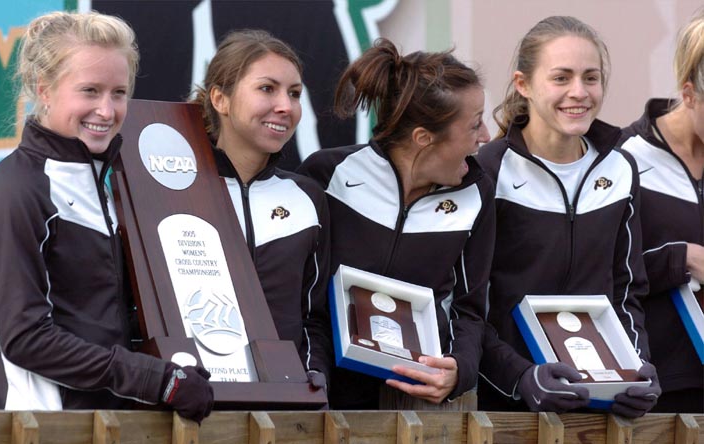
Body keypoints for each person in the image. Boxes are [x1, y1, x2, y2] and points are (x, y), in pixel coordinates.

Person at [0, 11, 213, 423]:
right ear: (43, 89)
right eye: (89, 90)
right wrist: (157, 379)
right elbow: (26, 339)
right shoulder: (17, 189)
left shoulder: (117, 182)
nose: (106, 109)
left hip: (118, 425)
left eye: (118, 92)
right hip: (43, 427)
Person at [476, 16, 660, 418]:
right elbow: (469, 307)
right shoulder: (488, 171)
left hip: (600, 410)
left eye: (590, 78)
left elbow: (626, 292)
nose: (579, 92)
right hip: (507, 412)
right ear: (523, 84)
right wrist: (521, 377)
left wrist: (638, 368)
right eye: (561, 78)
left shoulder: (620, 168)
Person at [298, 38, 494, 409]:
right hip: (325, 399)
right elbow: (303, 301)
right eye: (474, 125)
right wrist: (315, 382)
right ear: (423, 138)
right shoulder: (327, 176)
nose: (485, 136)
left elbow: (470, 309)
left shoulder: (477, 193)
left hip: (418, 409)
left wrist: (459, 371)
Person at [189, 29, 332, 394]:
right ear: (220, 98)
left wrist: (314, 380)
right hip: (193, 404)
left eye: (295, 93)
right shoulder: (170, 191)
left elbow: (314, 318)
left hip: (283, 406)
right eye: (267, 89)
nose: (285, 106)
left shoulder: (307, 197)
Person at [618, 9, 704, 413]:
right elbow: (599, 272)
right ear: (688, 94)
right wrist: (680, 259)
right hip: (658, 389)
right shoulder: (623, 159)